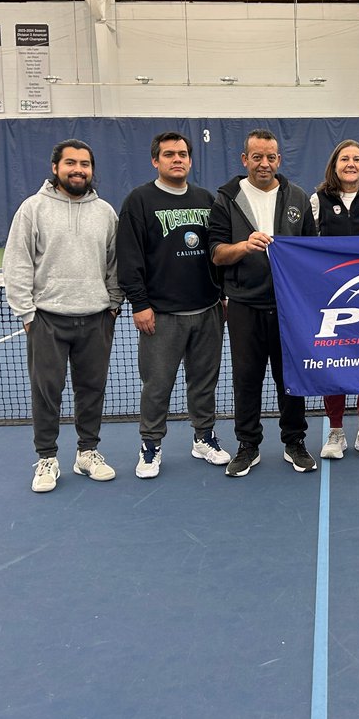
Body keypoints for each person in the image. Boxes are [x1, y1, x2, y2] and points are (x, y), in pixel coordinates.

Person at [2, 139, 122, 493]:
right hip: (47, 320)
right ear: (55, 167)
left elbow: (115, 263)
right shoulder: (33, 209)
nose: (78, 169)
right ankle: (47, 458)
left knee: (91, 390)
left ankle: (87, 453)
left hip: (97, 318)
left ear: (92, 170)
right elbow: (17, 263)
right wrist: (27, 314)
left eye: (85, 164)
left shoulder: (105, 212)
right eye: (71, 163)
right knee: (46, 392)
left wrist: (113, 304)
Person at [117, 131, 229, 479]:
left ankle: (203, 438)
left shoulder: (205, 198)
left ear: (190, 160)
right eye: (168, 154)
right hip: (161, 315)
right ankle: (151, 445)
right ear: (156, 160)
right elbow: (129, 257)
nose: (176, 159)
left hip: (208, 309)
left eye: (182, 154)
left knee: (204, 382)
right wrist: (140, 304)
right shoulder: (139, 200)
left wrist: (222, 294)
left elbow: (217, 251)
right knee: (157, 384)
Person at [210, 129, 318, 477]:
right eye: (257, 157)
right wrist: (244, 245)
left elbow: (310, 252)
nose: (264, 163)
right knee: (246, 378)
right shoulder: (226, 199)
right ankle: (248, 445)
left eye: (270, 157)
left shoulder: (298, 198)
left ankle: (294, 442)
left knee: (290, 378)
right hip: (243, 305)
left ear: (279, 160)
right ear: (245, 160)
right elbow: (216, 254)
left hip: (288, 308)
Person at [310, 139, 359, 461]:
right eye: (344, 159)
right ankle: (336, 429)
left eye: (357, 159)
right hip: (332, 295)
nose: (351, 164)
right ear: (334, 164)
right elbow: (306, 242)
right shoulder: (318, 199)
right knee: (333, 360)